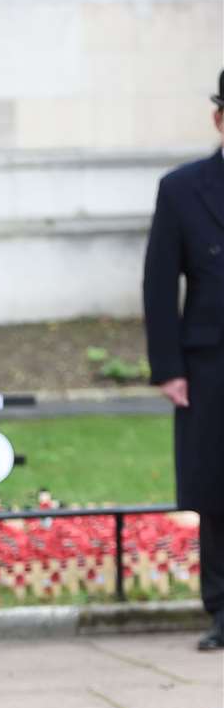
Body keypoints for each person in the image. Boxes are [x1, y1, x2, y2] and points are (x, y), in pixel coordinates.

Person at [143, 72, 224, 651]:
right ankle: (222, 608)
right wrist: (169, 366)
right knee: (216, 490)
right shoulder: (182, 187)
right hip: (210, 360)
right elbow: (157, 281)